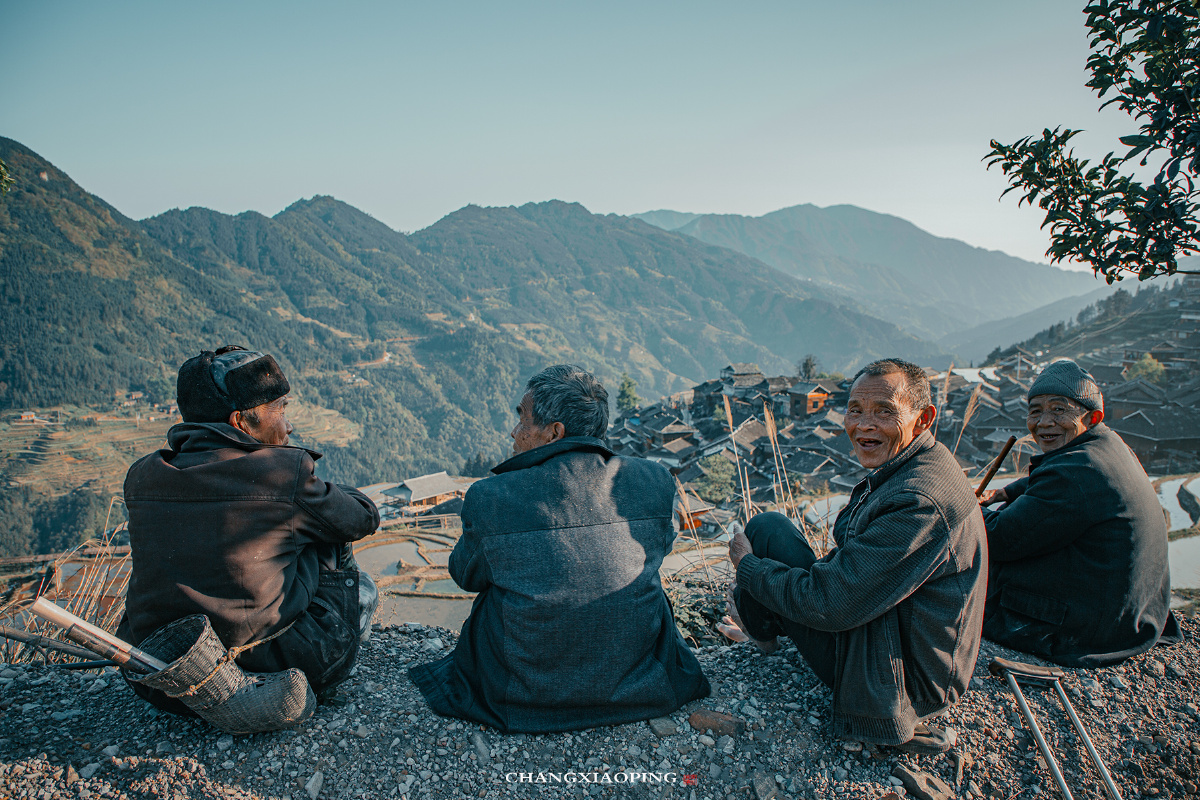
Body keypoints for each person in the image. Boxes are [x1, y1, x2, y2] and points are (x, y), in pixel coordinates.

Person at [409, 364, 710, 733]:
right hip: (641, 683)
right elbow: (661, 545)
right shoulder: (653, 480)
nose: (514, 430)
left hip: (520, 693)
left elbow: (466, 575)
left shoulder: (492, 496)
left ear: (555, 432)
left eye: (523, 417)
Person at [726, 359, 987, 753]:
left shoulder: (918, 501)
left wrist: (748, 569)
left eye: (885, 412)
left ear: (923, 418)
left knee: (759, 547)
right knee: (769, 528)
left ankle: (759, 633)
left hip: (905, 679)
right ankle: (760, 630)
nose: (864, 425)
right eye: (855, 410)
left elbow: (828, 603)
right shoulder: (916, 462)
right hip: (896, 631)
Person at [118, 346, 380, 715]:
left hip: (158, 675)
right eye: (280, 409)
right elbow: (362, 518)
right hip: (268, 664)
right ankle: (306, 676)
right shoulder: (280, 476)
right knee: (333, 542)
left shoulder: (143, 474)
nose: (287, 425)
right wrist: (321, 491)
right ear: (240, 421)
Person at [980, 359, 1179, 667]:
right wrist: (1005, 492)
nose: (1044, 422)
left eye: (1059, 409)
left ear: (1092, 416)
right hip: (1134, 613)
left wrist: (964, 506)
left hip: (1092, 628)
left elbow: (999, 539)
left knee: (973, 567)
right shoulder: (1108, 444)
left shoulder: (1075, 472)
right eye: (1036, 411)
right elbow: (1052, 476)